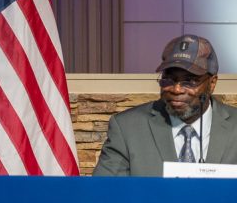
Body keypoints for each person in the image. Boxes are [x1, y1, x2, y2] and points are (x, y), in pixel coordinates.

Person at [94, 34, 237, 176]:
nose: (176, 89)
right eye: (168, 79)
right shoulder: (127, 128)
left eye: (190, 81)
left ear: (212, 83)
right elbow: (104, 192)